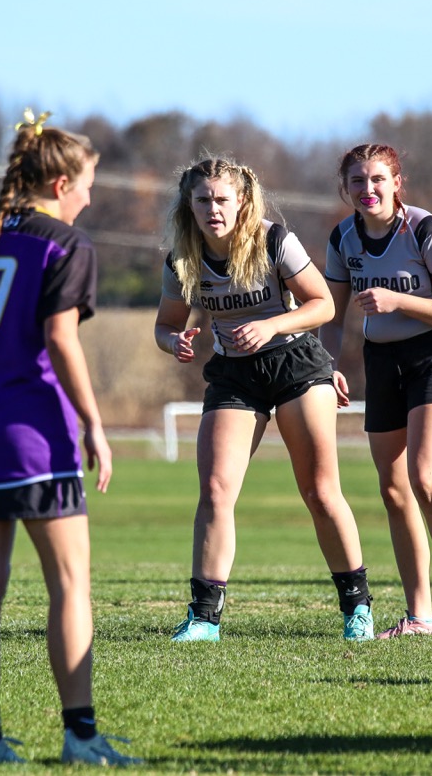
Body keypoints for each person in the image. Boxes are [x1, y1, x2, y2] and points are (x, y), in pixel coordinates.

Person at [0, 112, 138, 766]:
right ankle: (80, 735)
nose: (89, 199)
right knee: (69, 583)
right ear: (61, 183)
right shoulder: (65, 244)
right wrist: (93, 422)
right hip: (34, 435)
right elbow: (60, 338)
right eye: (87, 184)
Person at [154, 156, 374, 644]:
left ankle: (357, 607)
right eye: (203, 200)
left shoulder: (274, 241)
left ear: (242, 202)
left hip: (296, 364)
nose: (213, 209)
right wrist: (175, 341)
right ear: (189, 205)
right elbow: (165, 325)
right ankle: (204, 618)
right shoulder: (182, 258)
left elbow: (323, 304)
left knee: (319, 492)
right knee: (216, 491)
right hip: (234, 374)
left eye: (222, 199)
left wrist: (271, 325)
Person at [319, 143, 432, 639]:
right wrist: (328, 365)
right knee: (393, 489)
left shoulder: (427, 231)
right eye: (357, 181)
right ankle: (419, 615)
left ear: (396, 183)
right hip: (383, 361)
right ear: (345, 188)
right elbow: (331, 316)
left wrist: (400, 301)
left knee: (425, 477)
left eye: (377, 179)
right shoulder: (343, 238)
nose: (367, 189)